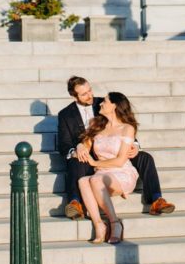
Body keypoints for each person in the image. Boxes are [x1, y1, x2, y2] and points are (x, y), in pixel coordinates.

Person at [57, 76, 175, 219]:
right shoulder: (65, 115)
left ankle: (157, 200)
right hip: (89, 154)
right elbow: (64, 143)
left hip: (114, 151)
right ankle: (75, 203)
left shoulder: (103, 103)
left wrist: (135, 145)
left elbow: (122, 123)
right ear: (73, 96)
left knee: (145, 157)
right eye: (84, 94)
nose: (90, 96)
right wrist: (77, 147)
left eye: (90, 90)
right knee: (76, 161)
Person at [77, 91, 139, 243]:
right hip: (101, 174)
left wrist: (94, 163)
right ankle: (99, 225)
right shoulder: (96, 125)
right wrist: (79, 146)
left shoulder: (127, 128)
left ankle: (115, 223)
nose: (100, 104)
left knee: (96, 180)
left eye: (104, 101)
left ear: (114, 106)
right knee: (83, 181)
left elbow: (119, 161)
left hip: (121, 173)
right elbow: (85, 147)